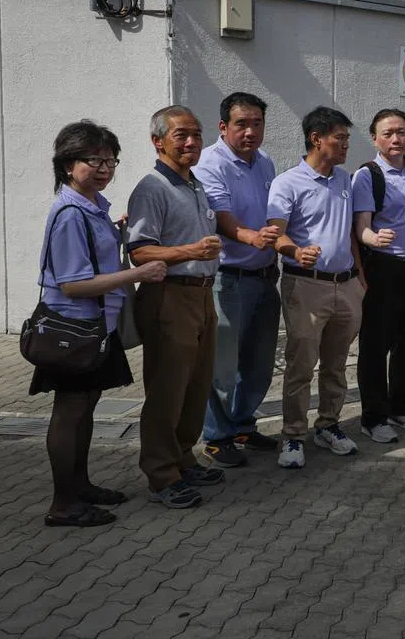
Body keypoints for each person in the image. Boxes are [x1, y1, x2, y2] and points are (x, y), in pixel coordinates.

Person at [32, 122, 168, 527]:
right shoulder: (71, 213)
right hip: (73, 331)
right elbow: (73, 284)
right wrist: (137, 275)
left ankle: (81, 486)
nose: (105, 168)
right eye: (94, 159)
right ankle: (63, 504)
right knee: (70, 411)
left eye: (110, 159)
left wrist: (117, 230)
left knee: (86, 406)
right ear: (69, 164)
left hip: (95, 328)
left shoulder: (92, 207)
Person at [128, 106, 224, 509]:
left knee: (196, 385)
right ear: (158, 141)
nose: (191, 143)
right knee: (167, 389)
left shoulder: (194, 184)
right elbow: (138, 251)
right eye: (181, 135)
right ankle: (162, 474)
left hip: (202, 294)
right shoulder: (151, 187)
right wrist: (191, 251)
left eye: (196, 135)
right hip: (170, 295)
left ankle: (183, 457)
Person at [267, 106, 365, 469]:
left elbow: (349, 234)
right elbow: (276, 232)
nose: (345, 147)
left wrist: (360, 278)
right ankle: (293, 435)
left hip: (346, 286)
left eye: (346, 140)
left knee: (337, 364)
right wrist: (295, 250)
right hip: (306, 285)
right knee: (301, 365)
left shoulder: (344, 181)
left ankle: (329, 425)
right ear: (316, 138)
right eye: (339, 139)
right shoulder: (287, 182)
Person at [193, 92, 281, 470]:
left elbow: (278, 212)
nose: (250, 132)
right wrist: (251, 237)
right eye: (241, 124)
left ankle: (242, 425)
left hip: (265, 276)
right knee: (223, 365)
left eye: (257, 124)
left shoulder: (265, 162)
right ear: (223, 127)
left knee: (259, 364)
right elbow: (221, 216)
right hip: (228, 279)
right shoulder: (210, 163)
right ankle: (215, 437)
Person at [353, 109, 405, 444]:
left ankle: (400, 407)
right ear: (374, 138)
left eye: (401, 131)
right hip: (382, 267)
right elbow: (362, 227)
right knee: (375, 344)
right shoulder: (368, 175)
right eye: (387, 133)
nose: (396, 139)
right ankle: (373, 416)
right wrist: (373, 239)